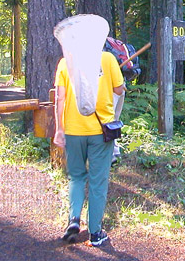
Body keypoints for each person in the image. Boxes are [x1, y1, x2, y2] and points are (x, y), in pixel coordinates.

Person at [54, 51, 125, 246]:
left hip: (73, 130)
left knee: (76, 177)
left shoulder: (65, 61)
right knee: (97, 182)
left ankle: (74, 220)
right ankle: (95, 233)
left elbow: (60, 98)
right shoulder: (108, 59)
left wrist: (59, 130)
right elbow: (119, 90)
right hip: (101, 132)